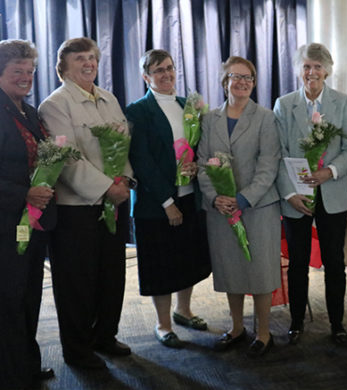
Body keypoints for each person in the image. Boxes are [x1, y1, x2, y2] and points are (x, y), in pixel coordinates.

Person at [38, 37, 133, 369]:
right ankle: (77, 351)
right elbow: (66, 159)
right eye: (80, 58)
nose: (89, 63)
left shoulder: (109, 98)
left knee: (111, 275)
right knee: (77, 283)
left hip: (115, 202)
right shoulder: (54, 104)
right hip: (75, 210)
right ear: (63, 66)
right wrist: (108, 188)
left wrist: (124, 183)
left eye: (92, 57)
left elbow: (123, 145)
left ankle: (104, 336)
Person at [274, 43, 347, 345]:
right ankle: (296, 322)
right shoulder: (284, 105)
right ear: (299, 70)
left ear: (327, 70)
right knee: (297, 263)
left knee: (334, 263)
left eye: (318, 67)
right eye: (306, 66)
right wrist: (289, 195)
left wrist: (330, 172)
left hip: (332, 194)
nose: (312, 72)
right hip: (296, 199)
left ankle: (337, 323)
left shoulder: (342, 102)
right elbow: (277, 155)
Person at [126, 49, 211, 348]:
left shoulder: (187, 106)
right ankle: (163, 324)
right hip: (156, 205)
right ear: (146, 77)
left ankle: (183, 310)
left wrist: (197, 166)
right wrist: (167, 202)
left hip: (189, 196)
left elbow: (198, 147)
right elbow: (141, 160)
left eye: (170, 68)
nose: (166, 74)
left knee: (187, 258)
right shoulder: (137, 111)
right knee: (160, 264)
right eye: (158, 70)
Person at [197, 56, 281, 357]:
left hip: (257, 208)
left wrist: (243, 198)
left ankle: (263, 332)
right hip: (220, 209)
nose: (243, 82)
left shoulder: (267, 118)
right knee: (230, 268)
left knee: (259, 271)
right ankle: (235, 328)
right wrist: (214, 197)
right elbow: (202, 162)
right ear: (225, 82)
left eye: (249, 78)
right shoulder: (209, 119)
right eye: (236, 77)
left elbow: (268, 165)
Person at [0, 39, 56, 389]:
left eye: (30, 71)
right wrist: (24, 193)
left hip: (33, 224)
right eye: (17, 71)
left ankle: (26, 365)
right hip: (5, 226)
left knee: (29, 296)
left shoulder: (30, 112)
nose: (25, 77)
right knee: (8, 300)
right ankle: (10, 374)